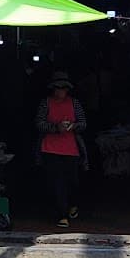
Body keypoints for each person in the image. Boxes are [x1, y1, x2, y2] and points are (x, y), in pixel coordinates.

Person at [36, 73, 87, 228]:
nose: (60, 91)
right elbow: (39, 123)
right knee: (57, 183)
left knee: (73, 182)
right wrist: (56, 128)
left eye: (63, 88)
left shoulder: (74, 103)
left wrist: (73, 126)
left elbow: (83, 123)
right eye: (58, 88)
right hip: (50, 148)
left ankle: (72, 205)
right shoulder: (46, 103)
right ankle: (62, 214)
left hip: (71, 149)